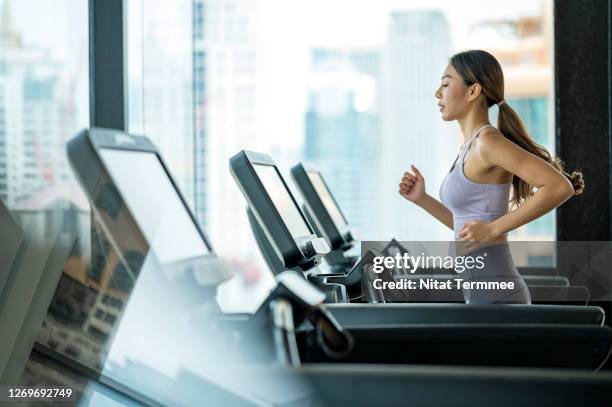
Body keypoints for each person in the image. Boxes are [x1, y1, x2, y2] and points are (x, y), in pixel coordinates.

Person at [398, 50, 584, 304]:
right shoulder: (469, 147)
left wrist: (494, 229)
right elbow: (466, 227)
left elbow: (559, 187)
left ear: (473, 91)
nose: (437, 93)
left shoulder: (487, 142)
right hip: (482, 293)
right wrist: (422, 198)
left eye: (445, 83)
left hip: (498, 297)